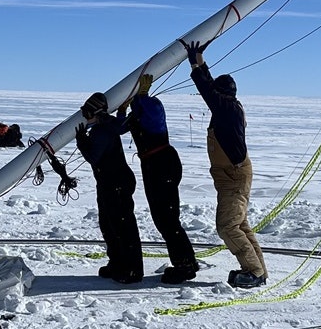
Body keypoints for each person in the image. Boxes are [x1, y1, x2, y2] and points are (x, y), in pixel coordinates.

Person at [181, 39, 268, 288]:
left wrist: (196, 63)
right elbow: (211, 89)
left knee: (227, 226)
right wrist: (198, 60)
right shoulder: (227, 108)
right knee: (239, 224)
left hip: (234, 177)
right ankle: (258, 271)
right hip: (232, 176)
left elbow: (207, 89)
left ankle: (253, 272)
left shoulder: (227, 109)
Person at [116, 73, 199, 284]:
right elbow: (120, 128)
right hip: (153, 166)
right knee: (162, 217)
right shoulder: (138, 114)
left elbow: (153, 115)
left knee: (167, 218)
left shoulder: (152, 106)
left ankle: (185, 265)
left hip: (163, 164)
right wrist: (123, 109)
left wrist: (142, 96)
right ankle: (186, 260)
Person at [75, 92, 144, 284]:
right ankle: (117, 263)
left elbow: (93, 157)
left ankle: (132, 270)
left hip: (116, 183)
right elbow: (120, 125)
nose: (85, 116)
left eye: (87, 112)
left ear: (96, 112)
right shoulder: (106, 126)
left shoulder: (101, 130)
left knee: (122, 226)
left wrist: (82, 142)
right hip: (109, 182)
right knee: (108, 224)